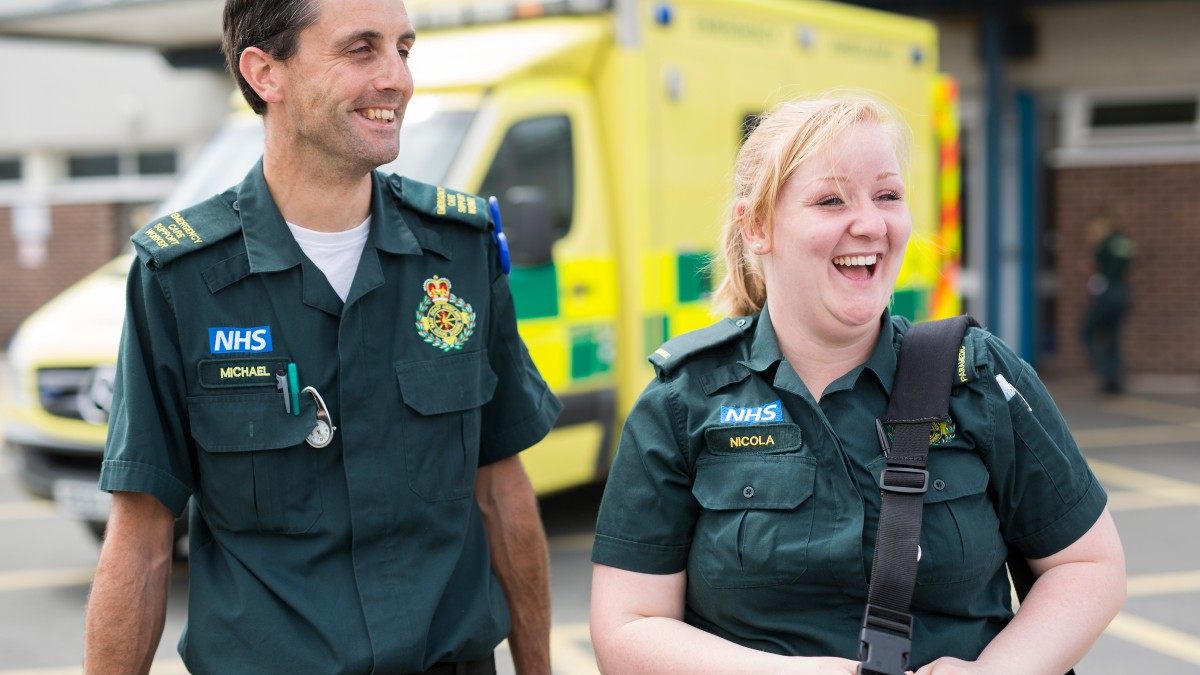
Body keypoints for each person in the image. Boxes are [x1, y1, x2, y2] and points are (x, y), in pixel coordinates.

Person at [83, 0, 561, 673]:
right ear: (264, 73)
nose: (397, 78)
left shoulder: (459, 251)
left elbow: (501, 493)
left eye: (403, 49)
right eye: (361, 49)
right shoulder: (180, 278)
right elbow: (141, 541)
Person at [589, 95, 1125, 674]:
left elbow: (1087, 565)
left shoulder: (976, 377)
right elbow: (627, 626)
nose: (871, 224)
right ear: (757, 226)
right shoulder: (684, 399)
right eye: (831, 200)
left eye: (888, 196)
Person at [1080, 216, 1136, 394]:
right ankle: (1115, 380)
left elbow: (1093, 266)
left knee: (1086, 332)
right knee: (1113, 336)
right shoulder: (1124, 241)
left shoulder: (1103, 243)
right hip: (1122, 292)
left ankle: (1107, 372)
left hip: (1106, 293)